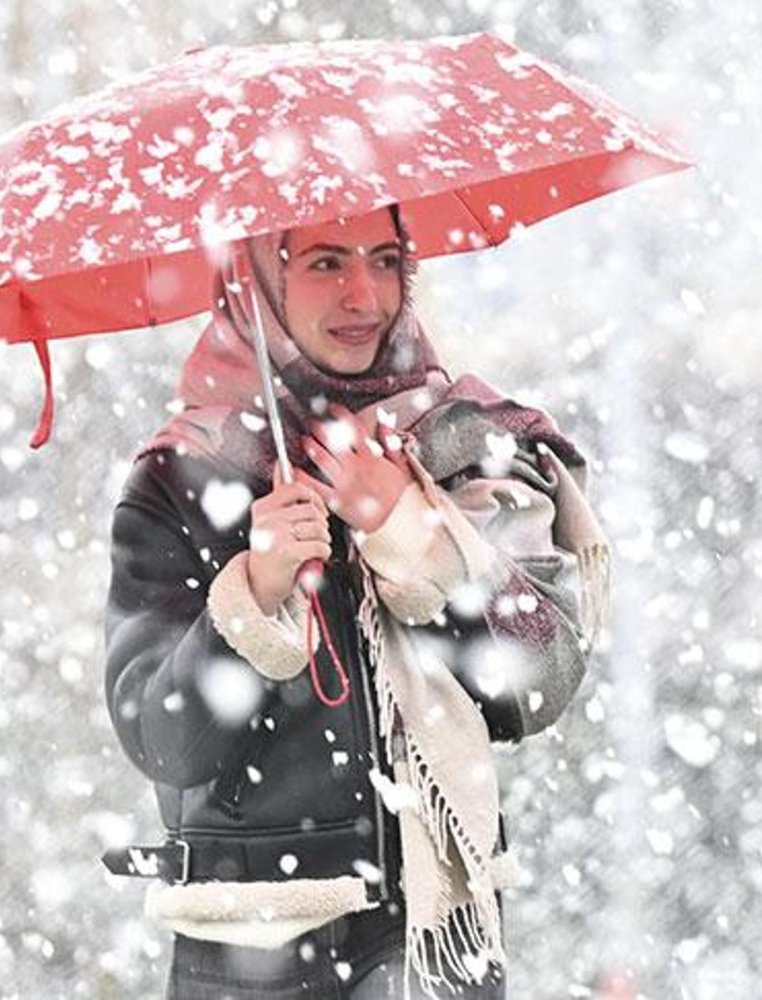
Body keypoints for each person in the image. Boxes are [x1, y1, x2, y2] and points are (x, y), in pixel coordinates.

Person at [102, 205, 607, 998]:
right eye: (325, 263)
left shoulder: (462, 446)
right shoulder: (185, 478)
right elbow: (165, 742)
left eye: (385, 259)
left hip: (434, 945)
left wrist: (407, 529)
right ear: (255, 278)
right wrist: (254, 596)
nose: (364, 295)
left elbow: (537, 685)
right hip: (250, 953)